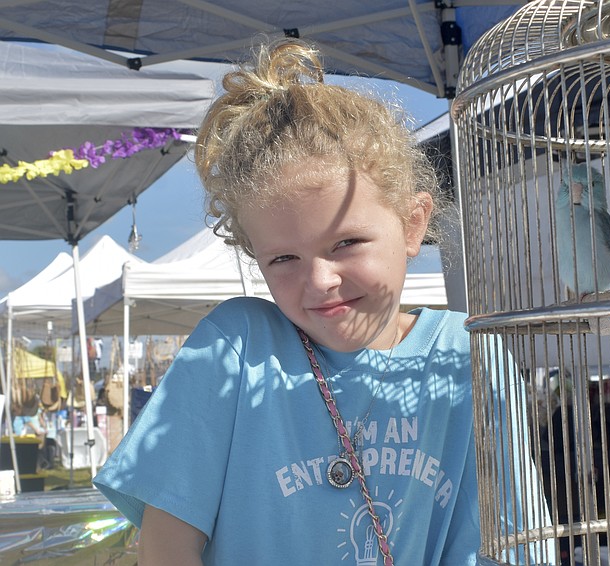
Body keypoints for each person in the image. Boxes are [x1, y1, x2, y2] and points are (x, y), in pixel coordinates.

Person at [94, 38, 553, 565]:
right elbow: (167, 545)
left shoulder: (471, 358)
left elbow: (511, 545)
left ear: (412, 223)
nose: (320, 282)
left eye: (345, 244)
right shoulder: (236, 352)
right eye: (283, 259)